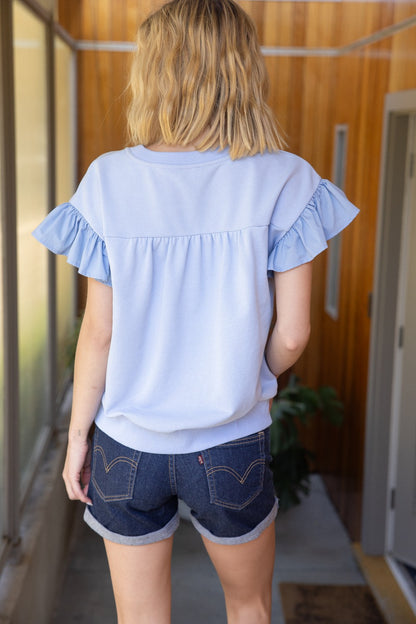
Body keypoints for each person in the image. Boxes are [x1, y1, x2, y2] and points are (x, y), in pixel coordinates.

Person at [33, 1, 359, 622]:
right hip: (231, 444)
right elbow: (294, 333)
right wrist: (242, 371)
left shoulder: (107, 181)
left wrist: (80, 440)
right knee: (250, 607)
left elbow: (97, 337)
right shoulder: (285, 178)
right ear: (243, 68)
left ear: (153, 71)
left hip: (127, 447)